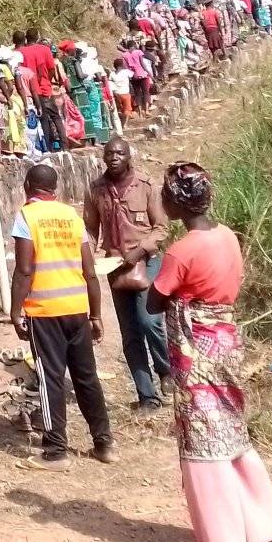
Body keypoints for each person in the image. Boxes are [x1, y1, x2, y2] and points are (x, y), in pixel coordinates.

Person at [149, 163, 272, 542]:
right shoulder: (228, 236)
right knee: (233, 430)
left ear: (177, 201)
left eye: (165, 194)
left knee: (203, 441)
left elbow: (153, 302)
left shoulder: (182, 250)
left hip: (196, 351)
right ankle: (269, 524)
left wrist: (176, 293)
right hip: (227, 342)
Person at [10, 164, 114, 468]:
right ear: (54, 188)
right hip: (77, 308)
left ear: (28, 185)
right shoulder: (71, 216)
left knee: (50, 378)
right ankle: (104, 444)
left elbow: (25, 269)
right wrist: (96, 315)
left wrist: (16, 311)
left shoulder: (27, 217)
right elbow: (90, 271)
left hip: (45, 311)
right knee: (86, 377)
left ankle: (56, 451)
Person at [84, 138, 173, 411]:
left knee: (149, 322)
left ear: (128, 156)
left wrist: (140, 251)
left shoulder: (146, 186)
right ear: (103, 157)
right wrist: (88, 257)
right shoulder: (96, 190)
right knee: (130, 334)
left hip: (147, 261)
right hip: (116, 267)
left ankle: (166, 371)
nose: (114, 157)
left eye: (119, 153)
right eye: (109, 153)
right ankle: (147, 396)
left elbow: (161, 228)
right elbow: (89, 229)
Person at [17, 29, 65, 152]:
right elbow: (51, 69)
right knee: (54, 117)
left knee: (36, 119)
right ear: (37, 37)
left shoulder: (19, 52)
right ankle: (63, 145)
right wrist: (46, 81)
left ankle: (42, 148)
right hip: (44, 89)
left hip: (27, 91)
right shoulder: (45, 49)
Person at [109, 58, 134, 124]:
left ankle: (120, 120)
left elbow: (110, 83)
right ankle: (125, 124)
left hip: (117, 94)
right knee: (127, 110)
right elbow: (132, 75)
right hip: (125, 94)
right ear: (121, 65)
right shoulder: (126, 71)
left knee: (120, 109)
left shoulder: (112, 74)